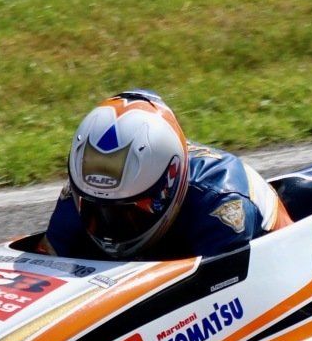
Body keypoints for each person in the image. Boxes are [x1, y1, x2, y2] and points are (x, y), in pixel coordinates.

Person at [44, 90, 291, 260]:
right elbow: (43, 266)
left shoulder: (221, 203)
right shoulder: (78, 198)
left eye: (129, 213)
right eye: (94, 212)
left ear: (168, 185)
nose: (110, 229)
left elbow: (228, 303)